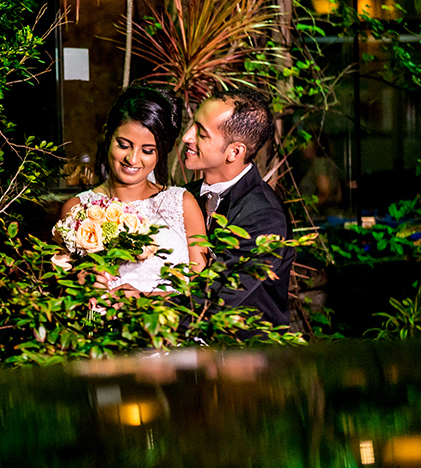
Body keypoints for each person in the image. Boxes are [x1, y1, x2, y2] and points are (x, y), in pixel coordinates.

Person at [57, 86, 208, 295]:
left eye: (147, 150)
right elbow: (61, 287)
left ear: (159, 152)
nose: (133, 159)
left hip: (170, 324)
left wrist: (145, 298)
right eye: (124, 145)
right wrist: (79, 279)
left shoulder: (183, 203)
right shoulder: (77, 208)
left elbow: (202, 290)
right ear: (108, 136)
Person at [181, 88, 294, 327]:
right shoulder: (184, 195)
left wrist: (142, 302)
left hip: (241, 355)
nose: (187, 137)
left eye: (201, 133)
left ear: (235, 151)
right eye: (193, 126)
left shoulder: (264, 216)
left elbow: (216, 299)